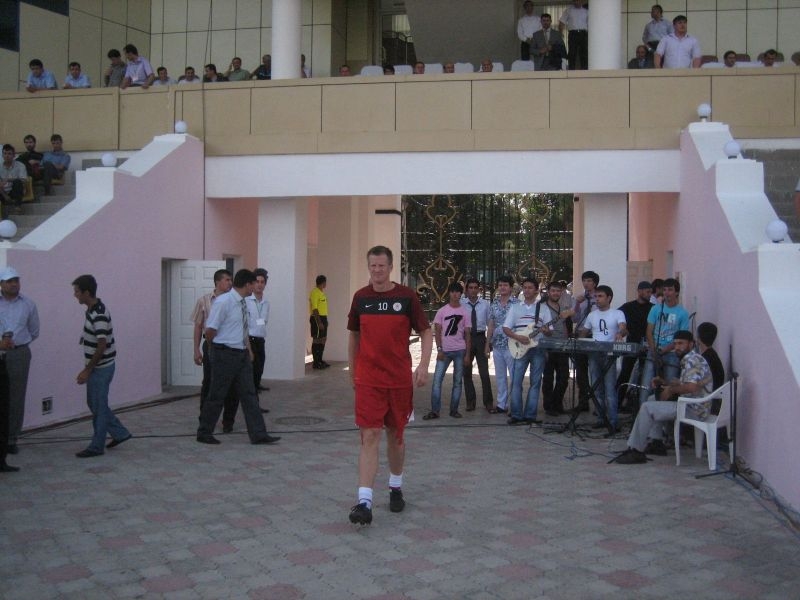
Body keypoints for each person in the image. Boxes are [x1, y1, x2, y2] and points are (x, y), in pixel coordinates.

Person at [347, 245, 432, 525]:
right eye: (372, 266)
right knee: (369, 436)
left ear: (391, 267)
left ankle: (395, 487)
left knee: (396, 437)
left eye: (381, 266)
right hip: (369, 381)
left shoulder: (407, 297)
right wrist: (354, 371)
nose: (377, 271)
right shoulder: (360, 298)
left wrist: (422, 366)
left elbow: (426, 331)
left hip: (398, 381)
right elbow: (354, 337)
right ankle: (364, 502)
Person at [196, 269, 280, 445]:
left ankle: (258, 434)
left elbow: (243, 329)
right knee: (217, 394)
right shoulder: (224, 302)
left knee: (249, 394)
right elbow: (210, 329)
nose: (255, 287)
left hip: (241, 353)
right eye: (253, 284)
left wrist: (247, 350)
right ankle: (204, 432)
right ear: (247, 284)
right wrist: (214, 349)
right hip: (224, 352)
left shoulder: (242, 303)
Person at [614, 330, 712, 464]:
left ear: (691, 344)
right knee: (651, 400)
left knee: (647, 407)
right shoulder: (692, 358)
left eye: (681, 343)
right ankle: (656, 442)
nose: (677, 347)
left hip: (694, 409)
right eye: (675, 344)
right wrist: (664, 383)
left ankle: (636, 451)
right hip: (692, 404)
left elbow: (691, 387)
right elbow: (687, 384)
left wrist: (670, 390)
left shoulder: (691, 360)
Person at [72, 274, 132, 458]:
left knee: (98, 405)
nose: (75, 295)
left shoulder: (98, 314)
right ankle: (120, 432)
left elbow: (102, 345)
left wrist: (87, 370)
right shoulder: (91, 310)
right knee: (96, 403)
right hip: (97, 367)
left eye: (77, 292)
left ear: (86, 293)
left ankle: (96, 446)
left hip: (101, 367)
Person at [0, 267, 38, 457]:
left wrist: (17, 344)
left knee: (16, 398)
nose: (14, 284)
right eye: (9, 281)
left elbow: (34, 331)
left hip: (18, 354)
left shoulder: (28, 304)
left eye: (16, 280)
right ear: (1, 284)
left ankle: (11, 439)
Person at [577, 285, 627, 431]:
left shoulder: (617, 313)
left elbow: (623, 327)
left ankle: (612, 420)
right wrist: (578, 339)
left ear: (609, 298)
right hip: (594, 354)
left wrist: (620, 333)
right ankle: (600, 417)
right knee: (596, 388)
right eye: (596, 297)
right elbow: (584, 332)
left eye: (600, 296)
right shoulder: (592, 315)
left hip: (609, 354)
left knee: (610, 388)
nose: (597, 299)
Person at [503, 278, 552, 425]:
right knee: (516, 382)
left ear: (537, 290)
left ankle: (530, 415)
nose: (527, 290)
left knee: (535, 382)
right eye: (525, 287)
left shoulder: (543, 308)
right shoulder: (516, 307)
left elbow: (550, 332)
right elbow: (506, 328)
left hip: (538, 349)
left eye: (530, 288)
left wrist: (545, 330)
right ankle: (516, 414)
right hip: (519, 347)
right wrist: (518, 337)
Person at [638, 277, 690, 406]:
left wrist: (665, 349)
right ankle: (642, 416)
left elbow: (681, 337)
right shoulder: (656, 309)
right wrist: (654, 348)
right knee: (646, 386)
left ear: (676, 292)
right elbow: (649, 331)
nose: (667, 293)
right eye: (665, 290)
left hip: (672, 353)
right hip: (654, 351)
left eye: (670, 290)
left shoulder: (682, 313)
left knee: (668, 386)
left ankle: (665, 421)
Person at [425, 282, 470, 420]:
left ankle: (454, 409)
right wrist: (439, 349)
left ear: (461, 294)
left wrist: (467, 354)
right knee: (437, 381)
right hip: (444, 351)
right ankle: (435, 410)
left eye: (458, 292)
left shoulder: (464, 312)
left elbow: (468, 334)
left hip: (459, 350)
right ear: (449, 293)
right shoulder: (442, 311)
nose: (455, 294)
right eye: (453, 292)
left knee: (457, 381)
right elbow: (437, 332)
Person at [190, 269, 233, 414]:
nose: (230, 283)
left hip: (228, 346)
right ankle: (205, 415)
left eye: (230, 280)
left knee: (229, 382)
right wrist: (196, 350)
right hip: (210, 345)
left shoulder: (233, 300)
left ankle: (227, 418)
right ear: (217, 282)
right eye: (227, 280)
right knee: (208, 381)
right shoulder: (204, 300)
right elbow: (197, 326)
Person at [616, 281, 653, 411]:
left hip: (647, 345)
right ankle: (617, 402)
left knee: (645, 375)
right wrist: (622, 331)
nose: (649, 294)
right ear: (640, 291)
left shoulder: (653, 308)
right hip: (632, 343)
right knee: (625, 372)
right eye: (647, 292)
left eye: (651, 292)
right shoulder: (628, 307)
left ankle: (638, 404)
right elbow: (617, 318)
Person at [540, 281, 573, 416]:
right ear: (548, 292)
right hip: (547, 346)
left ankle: (557, 403)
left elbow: (566, 325)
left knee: (563, 377)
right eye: (553, 291)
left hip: (562, 346)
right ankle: (549, 406)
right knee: (548, 377)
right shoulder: (541, 307)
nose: (555, 293)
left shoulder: (563, 307)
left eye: (558, 291)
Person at [487, 275, 517, 414]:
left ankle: (514, 404)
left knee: (514, 375)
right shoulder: (494, 303)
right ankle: (501, 404)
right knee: (500, 376)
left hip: (512, 344)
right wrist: (488, 343)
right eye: (500, 285)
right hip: (497, 344)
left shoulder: (516, 304)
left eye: (505, 285)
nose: (502, 287)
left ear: (511, 287)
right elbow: (491, 323)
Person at [461, 278, 493, 412]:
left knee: (484, 372)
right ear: (467, 289)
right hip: (465, 339)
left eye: (475, 288)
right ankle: (470, 401)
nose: (473, 290)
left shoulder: (485, 304)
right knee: (466, 371)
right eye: (471, 288)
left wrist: (488, 343)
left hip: (480, 338)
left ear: (479, 289)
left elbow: (490, 324)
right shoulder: (461, 304)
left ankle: (488, 402)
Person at [571, 270, 599, 411]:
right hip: (581, 334)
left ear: (594, 283)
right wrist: (577, 303)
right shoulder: (580, 299)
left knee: (595, 370)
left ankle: (599, 403)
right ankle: (583, 402)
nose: (586, 283)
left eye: (589, 281)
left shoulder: (600, 297)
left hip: (595, 335)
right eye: (584, 281)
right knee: (580, 371)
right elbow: (574, 319)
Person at [247, 268, 271, 397]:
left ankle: (255, 397)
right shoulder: (246, 301)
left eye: (262, 282)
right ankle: (253, 402)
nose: (260, 284)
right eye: (257, 281)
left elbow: (264, 320)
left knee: (259, 369)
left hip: (261, 339)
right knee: (252, 371)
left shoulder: (266, 302)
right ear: (252, 283)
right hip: (250, 340)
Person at [0, 315, 19, 471]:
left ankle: (1, 460)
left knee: (3, 412)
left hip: (2, 365)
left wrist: (7, 338)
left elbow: (7, 328)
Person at [559, 0, 589, 70]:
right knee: (572, 52)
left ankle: (585, 69)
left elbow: (589, 24)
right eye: (576, 0)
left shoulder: (586, 11)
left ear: (582, 1)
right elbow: (562, 22)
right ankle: (571, 69)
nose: (577, 2)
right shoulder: (568, 10)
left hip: (583, 33)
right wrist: (560, 33)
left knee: (584, 52)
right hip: (573, 34)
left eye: (579, 0)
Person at [0, 144, 28, 217]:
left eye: (9, 154)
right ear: (2, 155)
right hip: (3, 192)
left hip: (15, 190)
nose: (7, 156)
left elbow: (23, 181)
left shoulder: (20, 165)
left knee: (17, 182)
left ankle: (17, 207)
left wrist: (8, 180)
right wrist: (4, 195)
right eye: (5, 153)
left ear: (14, 155)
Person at [309, 274, 329, 369]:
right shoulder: (315, 292)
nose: (326, 284)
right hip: (317, 318)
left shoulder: (321, 292)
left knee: (323, 338)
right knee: (317, 339)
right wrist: (319, 322)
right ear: (322, 282)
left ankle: (320, 360)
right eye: (325, 282)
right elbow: (315, 309)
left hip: (324, 317)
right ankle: (316, 362)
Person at [697, 322, 724, 391]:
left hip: (707, 398)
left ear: (698, 338)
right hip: (715, 396)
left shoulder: (704, 359)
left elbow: (697, 384)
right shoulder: (713, 355)